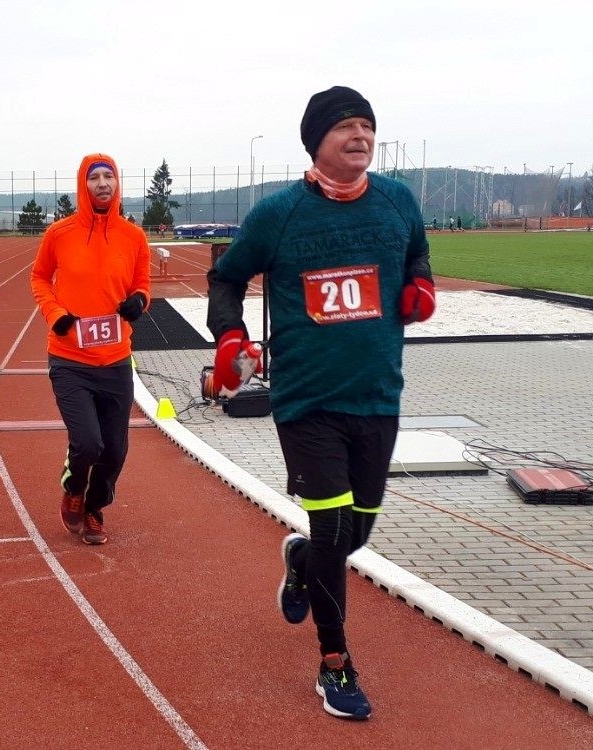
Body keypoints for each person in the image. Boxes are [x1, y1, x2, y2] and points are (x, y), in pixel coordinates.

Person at [206, 86, 434, 720]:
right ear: (316, 141)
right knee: (335, 526)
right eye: (345, 128)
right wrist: (230, 335)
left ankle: (302, 559)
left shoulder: (398, 202)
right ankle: (335, 665)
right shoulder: (278, 214)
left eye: (367, 126)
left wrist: (420, 284)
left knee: (352, 533)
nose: (360, 137)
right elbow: (225, 276)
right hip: (307, 401)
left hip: (378, 395)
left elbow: (417, 252)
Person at [31, 153, 151, 545]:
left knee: (114, 451)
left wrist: (139, 301)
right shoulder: (60, 234)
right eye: (94, 177)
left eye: (109, 177)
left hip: (115, 359)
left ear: (117, 185)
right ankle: (73, 490)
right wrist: (56, 313)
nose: (103, 183)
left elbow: (142, 285)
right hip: (71, 360)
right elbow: (39, 277)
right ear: (83, 186)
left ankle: (95, 507)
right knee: (87, 442)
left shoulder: (133, 237)